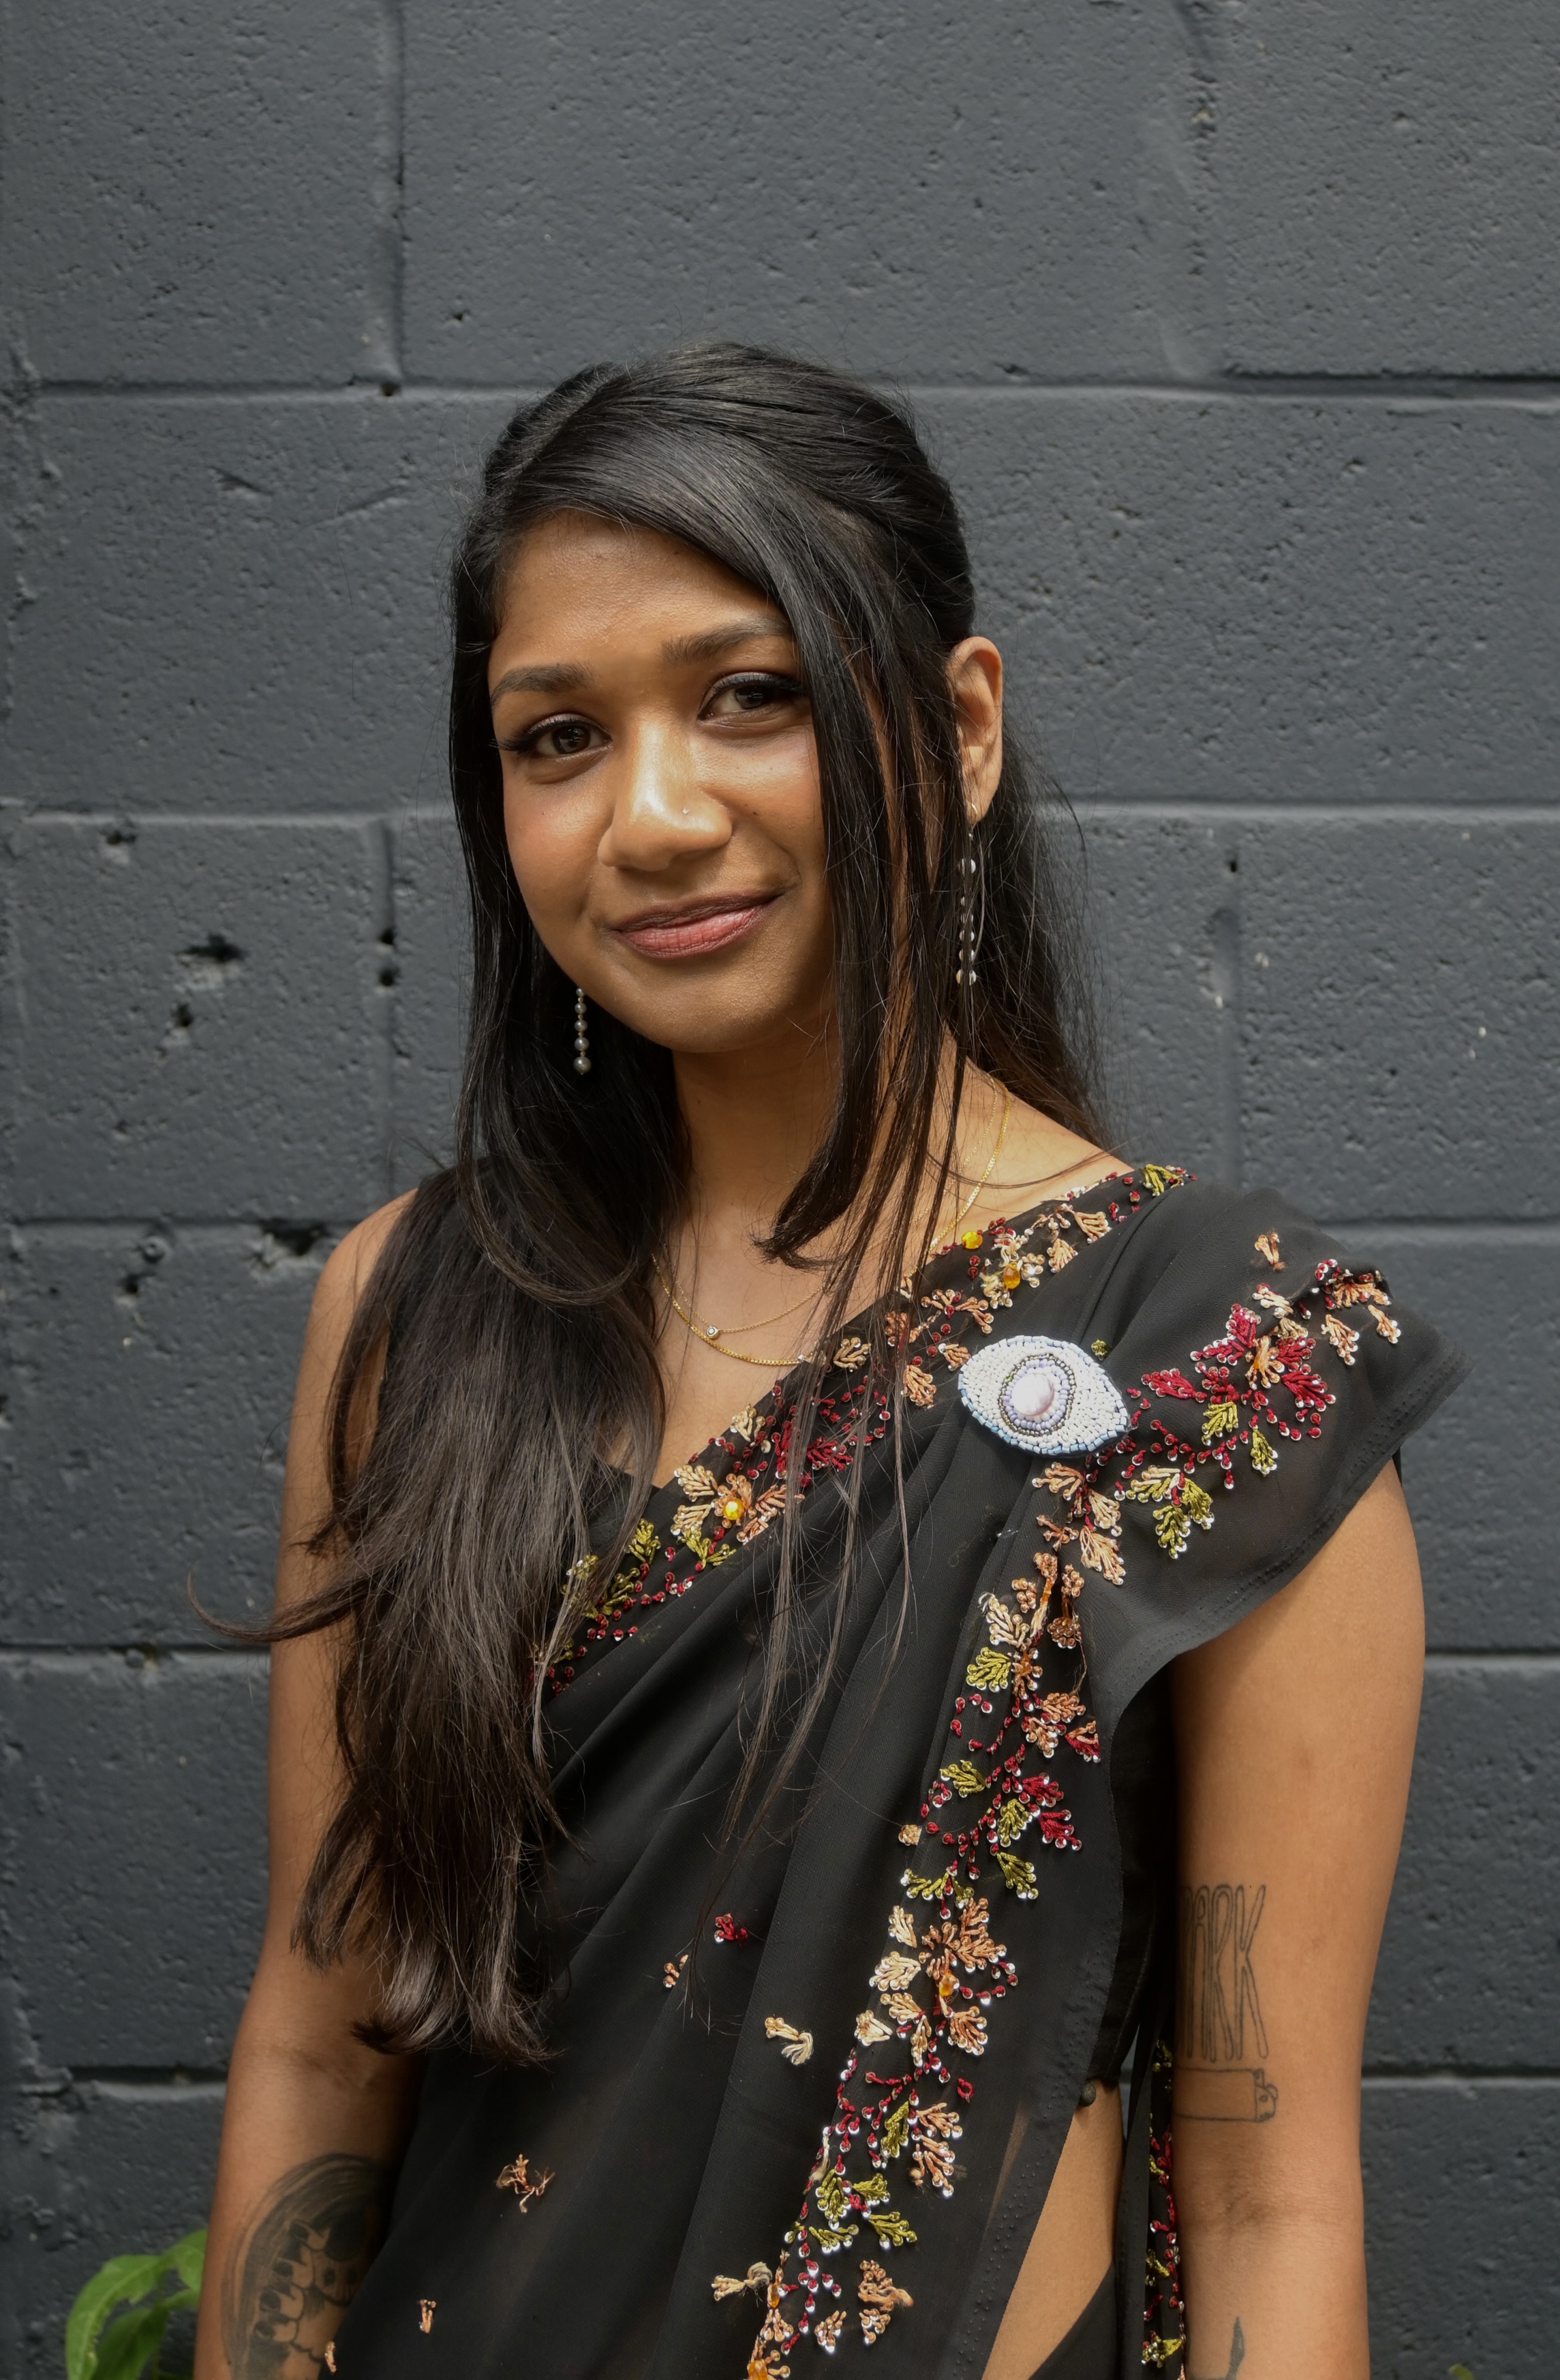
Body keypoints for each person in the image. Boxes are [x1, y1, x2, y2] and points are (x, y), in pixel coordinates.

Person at [193, 344, 1465, 2380]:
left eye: (747, 695)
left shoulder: (1223, 1356)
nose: (655, 815)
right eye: (555, 739)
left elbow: (1266, 2182)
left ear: (957, 729)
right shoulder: (419, 1308)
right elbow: (322, 2036)